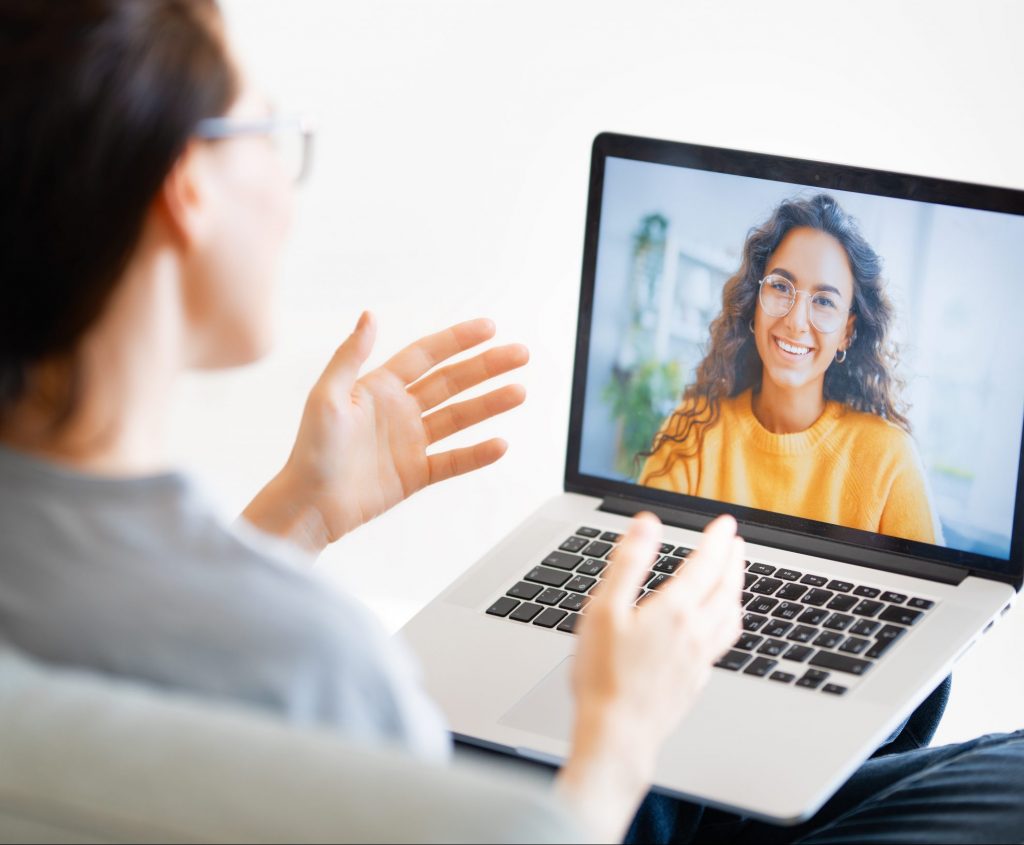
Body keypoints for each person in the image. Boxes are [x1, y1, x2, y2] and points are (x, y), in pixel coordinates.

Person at [0, 2, 1021, 843]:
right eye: (271, 130)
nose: (797, 317)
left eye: (826, 300)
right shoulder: (332, 670)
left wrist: (297, 517)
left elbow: (151, 680)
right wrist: (620, 728)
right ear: (188, 187)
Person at [639, 195, 942, 546]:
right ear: (755, 301)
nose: (796, 321)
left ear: (847, 332)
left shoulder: (890, 459)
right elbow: (641, 560)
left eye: (825, 301)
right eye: (781, 287)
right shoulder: (694, 428)